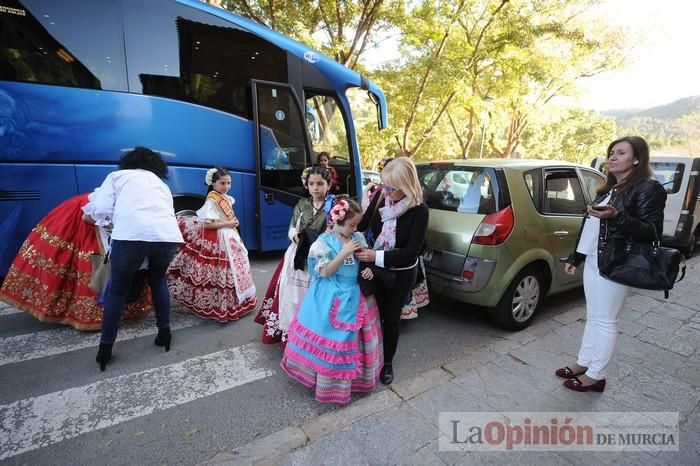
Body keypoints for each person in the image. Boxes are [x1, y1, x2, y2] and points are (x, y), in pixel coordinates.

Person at [559, 136, 666, 392]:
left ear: (637, 159)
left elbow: (652, 232)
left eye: (620, 153)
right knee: (593, 316)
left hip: (618, 262)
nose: (612, 157)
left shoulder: (648, 188)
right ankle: (584, 362)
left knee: (606, 320)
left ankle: (597, 375)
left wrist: (618, 217)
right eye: (611, 152)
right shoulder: (610, 189)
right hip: (596, 259)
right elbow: (593, 227)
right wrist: (577, 257)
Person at [280, 199, 383, 404]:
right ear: (337, 221)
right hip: (331, 295)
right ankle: (328, 383)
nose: (355, 228)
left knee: (357, 341)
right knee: (335, 341)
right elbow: (324, 271)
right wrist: (344, 252)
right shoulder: (323, 243)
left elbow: (364, 261)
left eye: (356, 224)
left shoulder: (358, 237)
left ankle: (356, 381)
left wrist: (368, 268)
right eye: (352, 224)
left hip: (357, 293)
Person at [0, 193, 152, 330]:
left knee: (77, 263)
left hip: (77, 214)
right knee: (92, 264)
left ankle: (85, 309)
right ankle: (95, 313)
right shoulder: (128, 199)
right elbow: (90, 216)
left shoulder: (123, 190)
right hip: (84, 218)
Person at [91, 147, 184, 371]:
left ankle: (105, 349)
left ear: (128, 162)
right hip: (166, 237)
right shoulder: (161, 184)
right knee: (158, 281)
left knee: (118, 291)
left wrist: (112, 222)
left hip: (131, 236)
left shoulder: (117, 177)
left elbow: (101, 209)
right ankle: (164, 333)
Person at [356, 157, 429, 385]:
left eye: (390, 187)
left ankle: (387, 363)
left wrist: (374, 256)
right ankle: (369, 355)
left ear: (406, 186)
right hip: (375, 265)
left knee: (391, 317)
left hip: (401, 273)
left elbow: (411, 252)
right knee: (370, 312)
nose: (385, 191)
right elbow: (362, 225)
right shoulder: (381, 196)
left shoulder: (419, 211)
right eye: (383, 185)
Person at [255, 166, 335, 344]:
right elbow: (292, 227)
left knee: (316, 293)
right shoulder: (302, 204)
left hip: (322, 254)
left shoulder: (334, 205)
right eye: (311, 183)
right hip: (298, 252)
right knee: (290, 292)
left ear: (328, 185)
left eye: (320, 184)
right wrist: (297, 238)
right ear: (306, 185)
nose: (315, 188)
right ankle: (291, 331)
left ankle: (312, 332)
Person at [167, 167, 257, 322]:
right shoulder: (212, 200)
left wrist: (230, 223)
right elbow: (207, 225)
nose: (227, 186)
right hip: (219, 238)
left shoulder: (225, 197)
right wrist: (229, 223)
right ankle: (221, 306)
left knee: (231, 273)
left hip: (229, 237)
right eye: (223, 183)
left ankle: (234, 304)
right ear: (213, 183)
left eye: (229, 183)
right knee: (220, 274)